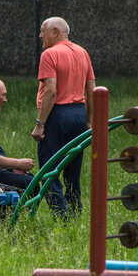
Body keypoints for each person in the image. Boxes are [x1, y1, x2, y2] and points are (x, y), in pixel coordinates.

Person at [31, 16, 96, 218]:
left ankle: (61, 215)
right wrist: (88, 120)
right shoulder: (82, 52)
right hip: (78, 113)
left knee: (49, 168)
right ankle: (75, 212)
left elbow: (51, 91)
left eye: (43, 31)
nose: (40, 35)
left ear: (56, 32)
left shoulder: (49, 54)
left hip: (57, 115)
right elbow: (92, 90)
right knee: (73, 169)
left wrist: (40, 124)